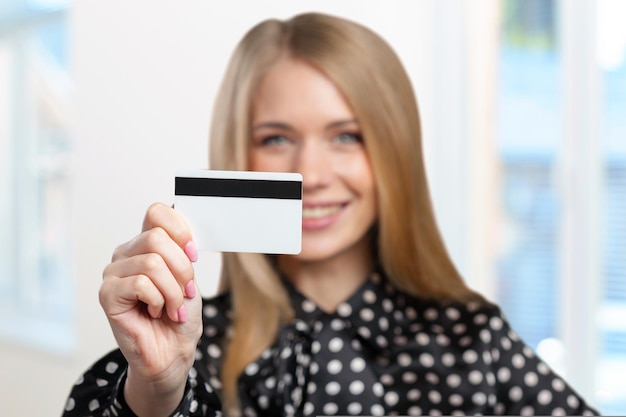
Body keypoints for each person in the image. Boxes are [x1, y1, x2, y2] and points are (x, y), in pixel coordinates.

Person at [62, 12, 599, 417]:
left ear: (393, 152)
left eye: (346, 136)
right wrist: (157, 388)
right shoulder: (173, 350)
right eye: (276, 138)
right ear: (239, 156)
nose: (311, 172)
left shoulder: (471, 338)